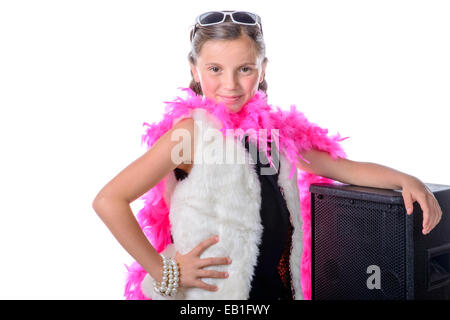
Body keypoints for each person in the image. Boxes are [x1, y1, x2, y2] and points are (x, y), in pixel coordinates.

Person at [92, 10, 443, 300]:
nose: (230, 84)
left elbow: (343, 168)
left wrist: (405, 180)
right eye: (215, 69)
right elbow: (109, 199)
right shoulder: (192, 133)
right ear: (194, 70)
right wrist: (164, 270)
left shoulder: (275, 132)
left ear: (262, 69)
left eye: (244, 69)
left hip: (276, 291)